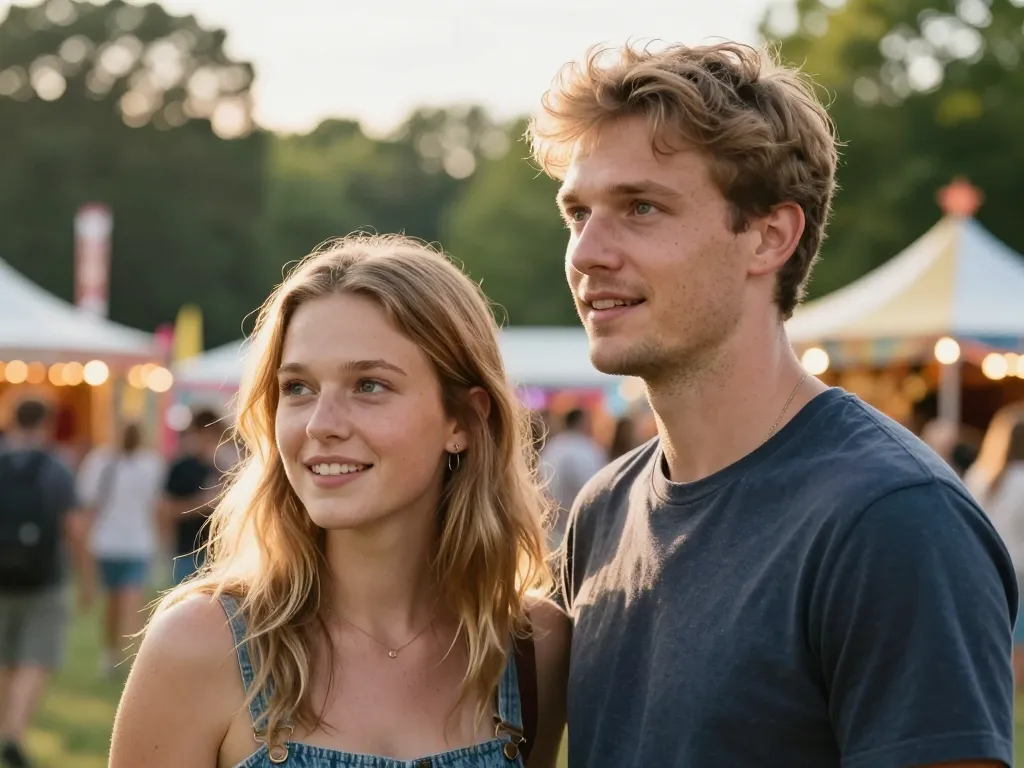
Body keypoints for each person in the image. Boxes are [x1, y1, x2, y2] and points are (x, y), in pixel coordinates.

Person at [528, 41, 1016, 767]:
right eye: (578, 213)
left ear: (769, 236)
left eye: (640, 207)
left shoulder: (890, 518)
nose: (588, 251)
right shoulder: (604, 509)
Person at [109, 234, 569, 768]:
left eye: (369, 386)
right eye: (298, 388)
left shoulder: (534, 649)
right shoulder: (201, 646)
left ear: (464, 421)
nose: (321, 425)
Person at [0, 399, 87, 768]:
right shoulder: (57, 469)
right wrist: (87, 577)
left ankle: (5, 729)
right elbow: (75, 528)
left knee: (4, 659)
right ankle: (14, 733)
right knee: (36, 658)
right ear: (48, 424)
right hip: (45, 577)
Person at [76, 421, 165, 676]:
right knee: (117, 604)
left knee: (128, 602)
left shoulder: (144, 464)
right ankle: (113, 653)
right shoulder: (106, 462)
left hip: (127, 543)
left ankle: (132, 661)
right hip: (114, 543)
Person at [965, 404, 1024, 694]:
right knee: (1018, 641)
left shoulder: (978, 475)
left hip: (982, 565)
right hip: (1019, 570)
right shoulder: (1021, 481)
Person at [161, 407, 227, 585]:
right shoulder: (182, 467)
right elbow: (167, 511)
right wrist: (202, 504)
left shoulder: (222, 466)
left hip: (222, 554)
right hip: (187, 553)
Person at [539, 408, 606, 548]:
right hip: (582, 531)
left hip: (552, 531)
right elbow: (599, 491)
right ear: (581, 422)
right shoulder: (586, 449)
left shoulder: (553, 447)